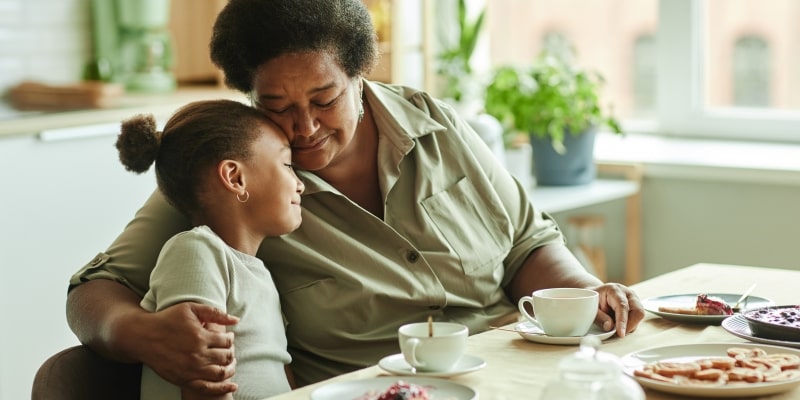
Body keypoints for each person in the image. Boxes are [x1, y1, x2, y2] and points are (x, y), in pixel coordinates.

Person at [66, 0, 645, 395]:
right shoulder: (232, 177)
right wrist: (144, 334)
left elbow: (526, 243)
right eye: (276, 107)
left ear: (361, 73)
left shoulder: (435, 122)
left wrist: (586, 295)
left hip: (523, 377)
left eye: (324, 98)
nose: (304, 127)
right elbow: (94, 291)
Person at [114, 100, 304, 399]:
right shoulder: (197, 251)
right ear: (235, 178)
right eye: (287, 165)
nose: (299, 184)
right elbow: (203, 381)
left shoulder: (258, 272)